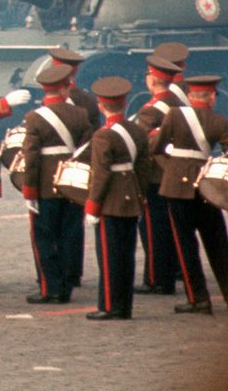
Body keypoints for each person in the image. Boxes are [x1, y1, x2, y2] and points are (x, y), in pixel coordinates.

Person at [150, 71, 228, 314]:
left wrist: (172, 169)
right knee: (218, 244)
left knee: (185, 246)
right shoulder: (219, 122)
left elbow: (157, 148)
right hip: (207, 188)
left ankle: (198, 298)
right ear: (212, 97)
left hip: (176, 187)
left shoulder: (174, 115)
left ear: (191, 95)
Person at [19, 60, 90, 304]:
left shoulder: (35, 117)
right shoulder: (80, 114)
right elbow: (86, 149)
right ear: (65, 88)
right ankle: (68, 284)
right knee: (70, 235)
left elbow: (31, 155)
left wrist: (29, 189)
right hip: (72, 182)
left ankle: (51, 287)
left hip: (46, 185)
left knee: (44, 237)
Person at [84, 74, 149, 320]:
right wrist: (140, 195)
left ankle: (110, 305)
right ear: (125, 103)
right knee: (127, 254)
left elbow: (101, 174)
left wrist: (92, 205)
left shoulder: (103, 136)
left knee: (109, 257)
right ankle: (125, 306)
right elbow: (143, 168)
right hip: (131, 196)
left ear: (101, 106)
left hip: (110, 200)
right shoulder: (136, 130)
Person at [136, 48, 188, 295]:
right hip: (173, 173)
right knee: (168, 226)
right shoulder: (176, 102)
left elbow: (140, 143)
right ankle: (169, 273)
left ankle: (157, 278)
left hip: (154, 175)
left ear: (153, 79)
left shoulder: (151, 110)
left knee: (153, 228)